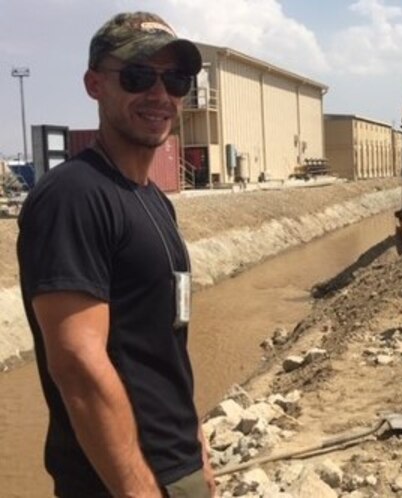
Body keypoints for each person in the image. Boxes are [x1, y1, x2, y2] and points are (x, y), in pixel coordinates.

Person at [17, 12, 215, 498]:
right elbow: (77, 366)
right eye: (137, 76)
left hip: (177, 468)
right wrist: (138, 490)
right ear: (94, 84)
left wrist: (198, 449)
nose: (160, 94)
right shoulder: (74, 196)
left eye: (175, 79)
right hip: (116, 483)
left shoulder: (153, 201)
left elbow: (165, 345)